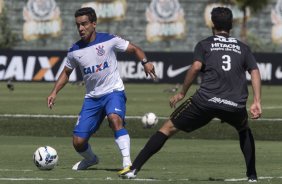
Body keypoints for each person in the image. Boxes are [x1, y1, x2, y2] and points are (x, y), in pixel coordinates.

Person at [119, 7, 261, 183]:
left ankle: (134, 169)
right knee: (244, 129)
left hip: (205, 101)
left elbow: (195, 67)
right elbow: (254, 71)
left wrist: (181, 93)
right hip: (234, 104)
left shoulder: (205, 44)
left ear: (212, 24)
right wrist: (256, 101)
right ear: (231, 25)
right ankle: (252, 176)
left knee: (167, 128)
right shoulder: (243, 48)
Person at [47, 7, 157, 171]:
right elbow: (66, 72)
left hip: (113, 92)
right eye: (78, 25)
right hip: (92, 98)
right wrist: (54, 91)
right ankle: (91, 159)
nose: (81, 28)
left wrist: (145, 62)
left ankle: (127, 163)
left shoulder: (109, 40)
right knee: (78, 142)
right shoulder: (74, 51)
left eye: (84, 24)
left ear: (94, 24)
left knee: (114, 119)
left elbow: (135, 49)